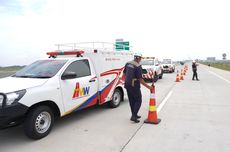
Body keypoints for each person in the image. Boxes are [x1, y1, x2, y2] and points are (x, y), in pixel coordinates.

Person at [123, 52, 153, 123]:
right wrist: (148, 87)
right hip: (134, 85)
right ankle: (133, 116)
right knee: (138, 100)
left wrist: (128, 79)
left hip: (127, 84)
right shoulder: (138, 66)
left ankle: (134, 114)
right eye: (140, 58)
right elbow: (140, 79)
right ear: (139, 58)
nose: (140, 60)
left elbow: (124, 73)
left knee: (132, 100)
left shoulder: (128, 63)